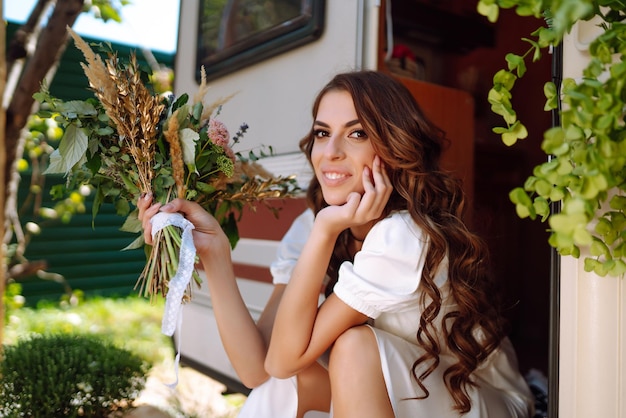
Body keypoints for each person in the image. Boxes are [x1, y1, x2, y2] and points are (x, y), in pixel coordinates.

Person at [138, 70, 534, 417]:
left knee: (352, 348)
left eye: (357, 133)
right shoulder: (315, 223)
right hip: (413, 391)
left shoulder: (405, 234)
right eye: (323, 133)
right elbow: (259, 370)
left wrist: (327, 231)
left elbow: (280, 359)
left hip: (483, 401)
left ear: (394, 148)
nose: (330, 153)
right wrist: (216, 254)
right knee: (288, 382)